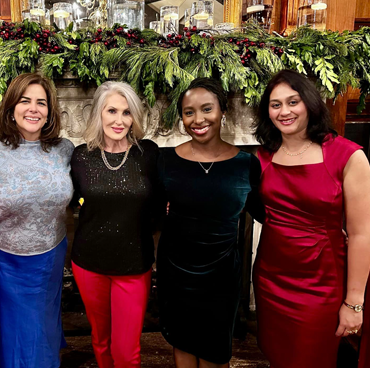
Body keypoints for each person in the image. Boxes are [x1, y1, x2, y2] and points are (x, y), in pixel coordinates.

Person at [252, 69, 370, 368]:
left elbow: (361, 234)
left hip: (321, 284)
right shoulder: (262, 156)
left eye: (293, 102)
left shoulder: (347, 155)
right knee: (277, 355)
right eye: (275, 104)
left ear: (310, 103)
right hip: (270, 278)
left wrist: (354, 302)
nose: (284, 111)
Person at [156, 78, 263, 368]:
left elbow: (269, 213)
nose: (198, 119)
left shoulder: (246, 164)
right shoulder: (165, 161)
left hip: (221, 277)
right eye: (189, 112)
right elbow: (149, 210)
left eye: (207, 109)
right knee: (183, 343)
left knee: (215, 353)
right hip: (176, 274)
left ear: (223, 112)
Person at [0, 73, 74, 368]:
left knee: (44, 326)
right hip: (8, 263)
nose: (34, 109)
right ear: (11, 108)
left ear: (49, 112)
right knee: (18, 333)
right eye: (25, 101)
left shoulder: (65, 150)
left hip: (52, 255)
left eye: (41, 103)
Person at [70, 81, 159, 368]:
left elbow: (162, 200)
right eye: (111, 111)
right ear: (99, 113)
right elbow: (73, 200)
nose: (119, 120)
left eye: (126, 112)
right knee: (100, 340)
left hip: (133, 265)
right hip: (88, 263)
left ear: (134, 117)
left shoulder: (148, 154)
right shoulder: (81, 156)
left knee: (126, 351)